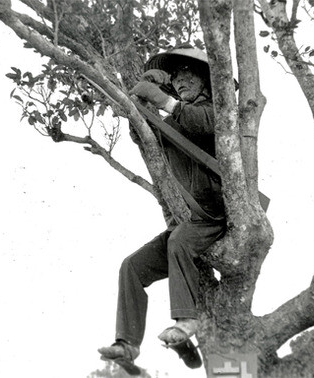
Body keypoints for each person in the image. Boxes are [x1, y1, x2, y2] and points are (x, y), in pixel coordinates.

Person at [97, 46, 226, 374]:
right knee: (132, 267)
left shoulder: (218, 111)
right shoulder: (178, 121)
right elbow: (145, 136)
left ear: (206, 82)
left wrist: (160, 96)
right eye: (176, 77)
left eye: (188, 75)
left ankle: (186, 323)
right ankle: (128, 344)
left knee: (179, 241)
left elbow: (197, 120)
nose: (180, 81)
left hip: (213, 214)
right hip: (187, 224)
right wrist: (140, 101)